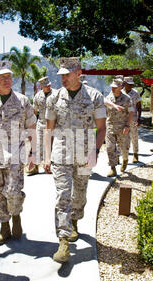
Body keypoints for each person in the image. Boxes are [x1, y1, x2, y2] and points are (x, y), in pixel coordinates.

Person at [44, 57, 106, 263]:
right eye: (61, 75)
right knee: (62, 195)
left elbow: (102, 127)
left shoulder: (95, 96)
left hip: (84, 152)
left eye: (67, 74)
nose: (63, 78)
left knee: (79, 194)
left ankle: (75, 221)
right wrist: (45, 156)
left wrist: (95, 151)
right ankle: (63, 241)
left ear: (78, 73)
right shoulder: (53, 98)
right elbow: (49, 129)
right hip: (61, 152)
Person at [0, 60, 37, 246]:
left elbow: (32, 126)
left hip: (16, 154)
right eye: (2, 77)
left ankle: (16, 216)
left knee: (13, 192)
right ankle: (4, 226)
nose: (6, 80)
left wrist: (34, 152)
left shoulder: (22, 101)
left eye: (9, 76)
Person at [104, 77, 134, 177]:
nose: (113, 88)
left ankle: (125, 159)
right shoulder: (108, 98)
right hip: (110, 126)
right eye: (112, 87)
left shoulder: (127, 99)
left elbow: (131, 113)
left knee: (124, 148)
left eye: (115, 87)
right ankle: (113, 168)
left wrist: (127, 125)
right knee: (109, 147)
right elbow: (105, 111)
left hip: (122, 127)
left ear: (121, 87)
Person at [28, 76, 57, 176]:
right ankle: (35, 167)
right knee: (37, 145)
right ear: (41, 87)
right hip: (41, 124)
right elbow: (34, 111)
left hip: (53, 124)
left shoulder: (56, 94)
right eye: (46, 86)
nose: (48, 87)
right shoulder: (37, 96)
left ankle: (52, 166)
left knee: (52, 145)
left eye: (49, 85)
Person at [122, 76, 142, 163]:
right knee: (122, 137)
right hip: (122, 118)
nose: (130, 86)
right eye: (128, 84)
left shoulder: (136, 93)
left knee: (134, 136)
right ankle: (123, 155)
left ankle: (135, 154)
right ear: (124, 84)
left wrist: (139, 118)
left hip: (133, 118)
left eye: (131, 84)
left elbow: (139, 106)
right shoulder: (120, 92)